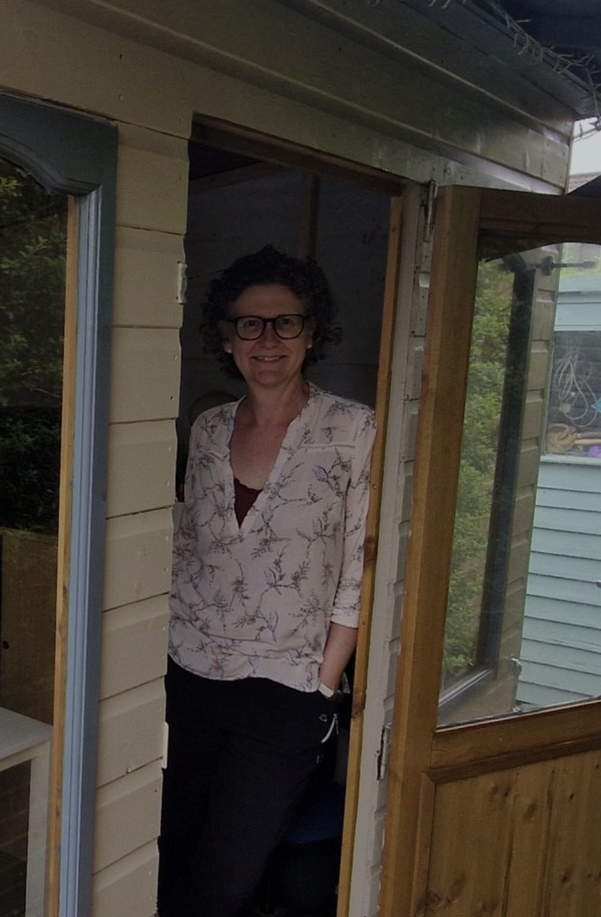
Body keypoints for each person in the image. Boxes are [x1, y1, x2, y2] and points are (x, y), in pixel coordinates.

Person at [159, 246, 375, 917]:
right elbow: (188, 546)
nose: (268, 340)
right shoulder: (209, 427)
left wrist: (326, 681)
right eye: (250, 325)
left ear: (312, 332)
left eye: (286, 322)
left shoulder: (352, 430)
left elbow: (360, 563)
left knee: (227, 876)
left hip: (287, 686)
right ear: (227, 338)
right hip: (191, 672)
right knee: (173, 856)